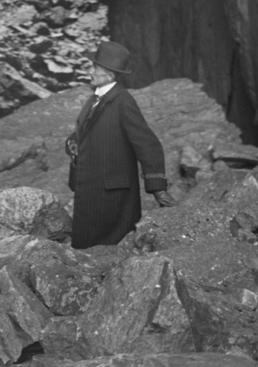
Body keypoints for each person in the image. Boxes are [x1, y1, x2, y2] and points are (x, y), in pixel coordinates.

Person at [66, 40, 176, 249]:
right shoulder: (95, 99)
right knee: (87, 247)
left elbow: (147, 144)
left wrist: (157, 187)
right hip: (92, 186)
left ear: (109, 75)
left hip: (112, 194)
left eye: (95, 68)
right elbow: (84, 131)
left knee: (108, 247)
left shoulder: (124, 102)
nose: (90, 71)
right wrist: (72, 142)